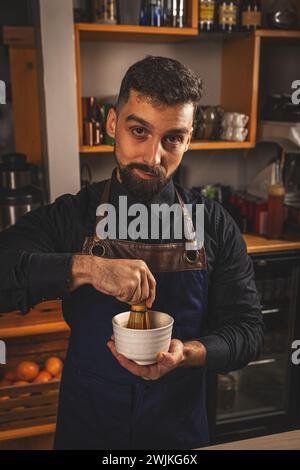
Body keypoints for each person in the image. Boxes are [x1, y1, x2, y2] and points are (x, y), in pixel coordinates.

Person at [0, 56, 264, 450]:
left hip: (178, 432)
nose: (152, 157)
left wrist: (189, 353)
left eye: (172, 138)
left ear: (189, 139)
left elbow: (248, 331)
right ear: (112, 123)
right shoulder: (71, 217)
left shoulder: (214, 224)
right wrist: (86, 266)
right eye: (138, 130)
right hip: (88, 427)